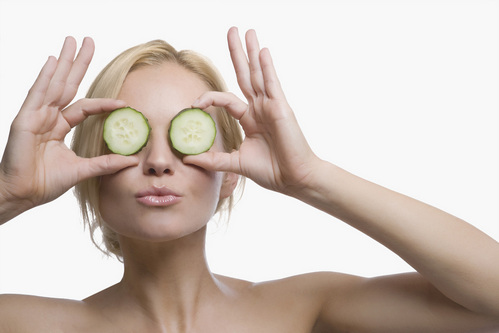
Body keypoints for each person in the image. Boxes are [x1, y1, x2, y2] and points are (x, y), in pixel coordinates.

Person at [0, 27, 498, 332]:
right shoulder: (30, 324)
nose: (157, 161)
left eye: (186, 137)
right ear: (88, 170)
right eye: (128, 136)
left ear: (232, 172)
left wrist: (312, 178)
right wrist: (8, 194)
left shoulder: (303, 311)